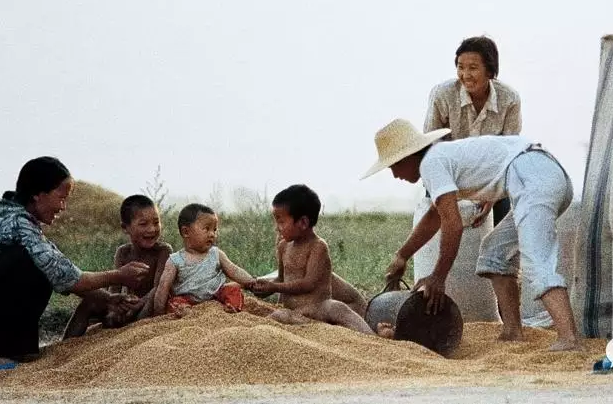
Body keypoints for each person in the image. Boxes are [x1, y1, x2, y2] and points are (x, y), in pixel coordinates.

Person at [362, 119, 581, 351]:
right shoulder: (439, 158)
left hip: (534, 178)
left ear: (407, 157)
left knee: (537, 258)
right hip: (542, 174)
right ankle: (513, 332)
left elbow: (452, 224)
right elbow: (435, 216)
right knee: (495, 253)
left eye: (393, 166)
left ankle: (569, 339)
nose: (395, 174)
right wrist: (402, 255)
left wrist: (438, 277)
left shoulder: (431, 164)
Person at [0, 157, 149, 374]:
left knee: (39, 263)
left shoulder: (10, 214)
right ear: (38, 194)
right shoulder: (18, 223)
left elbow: (62, 268)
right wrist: (120, 276)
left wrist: (106, 298)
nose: (63, 207)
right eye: (60, 198)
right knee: (32, 267)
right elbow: (67, 277)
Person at [251, 185, 390, 337]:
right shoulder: (283, 247)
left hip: (319, 309)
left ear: (303, 223)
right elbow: (281, 279)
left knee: (336, 308)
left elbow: (308, 283)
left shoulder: (318, 247)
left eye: (281, 222)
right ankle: (251, 332)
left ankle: (373, 336)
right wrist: (265, 288)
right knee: (280, 315)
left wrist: (275, 286)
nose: (277, 228)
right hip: (296, 314)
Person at [424, 35, 522, 227]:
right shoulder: (443, 95)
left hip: (490, 176)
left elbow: (510, 152)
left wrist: (491, 196)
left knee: (503, 219)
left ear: (490, 70)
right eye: (460, 67)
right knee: (441, 229)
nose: (465, 74)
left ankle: (503, 255)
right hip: (449, 171)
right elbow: (430, 145)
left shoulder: (509, 99)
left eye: (473, 68)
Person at [63, 195, 173, 338]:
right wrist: (116, 308)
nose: (152, 229)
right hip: (126, 306)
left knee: (156, 292)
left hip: (146, 308)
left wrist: (136, 307)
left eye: (156, 222)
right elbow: (113, 290)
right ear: (125, 228)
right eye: (143, 224)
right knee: (91, 300)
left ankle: (135, 334)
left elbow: (159, 288)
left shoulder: (163, 251)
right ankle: (65, 345)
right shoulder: (123, 252)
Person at [152, 203, 257, 317]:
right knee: (176, 303)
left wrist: (251, 281)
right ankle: (187, 314)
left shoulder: (216, 254)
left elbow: (234, 270)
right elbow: (163, 287)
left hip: (217, 295)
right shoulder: (175, 260)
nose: (212, 234)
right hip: (188, 299)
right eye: (206, 229)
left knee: (233, 289)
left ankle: (231, 309)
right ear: (186, 232)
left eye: (214, 230)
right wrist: (158, 313)